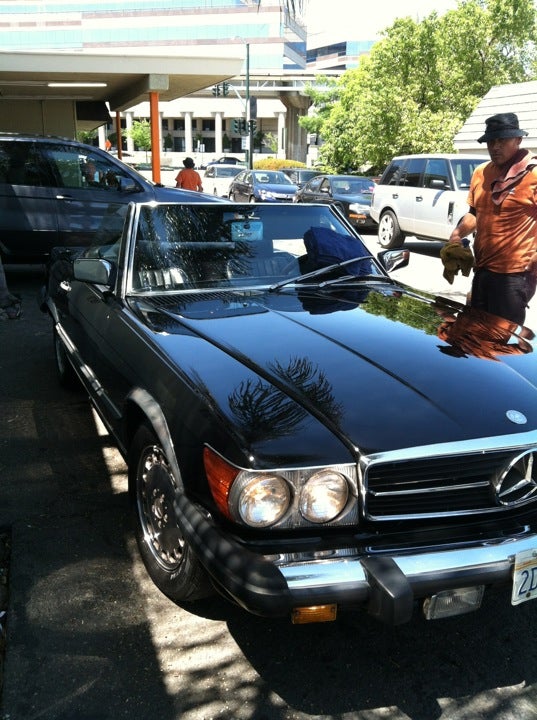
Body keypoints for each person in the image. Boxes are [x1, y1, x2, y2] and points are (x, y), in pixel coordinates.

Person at [448, 112, 537, 325]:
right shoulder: (481, 173)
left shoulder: (533, 174)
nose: (495, 147)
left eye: (502, 140)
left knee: (499, 339)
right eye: (491, 141)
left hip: (514, 276)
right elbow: (474, 213)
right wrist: (457, 235)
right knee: (473, 334)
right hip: (482, 269)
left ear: (518, 140)